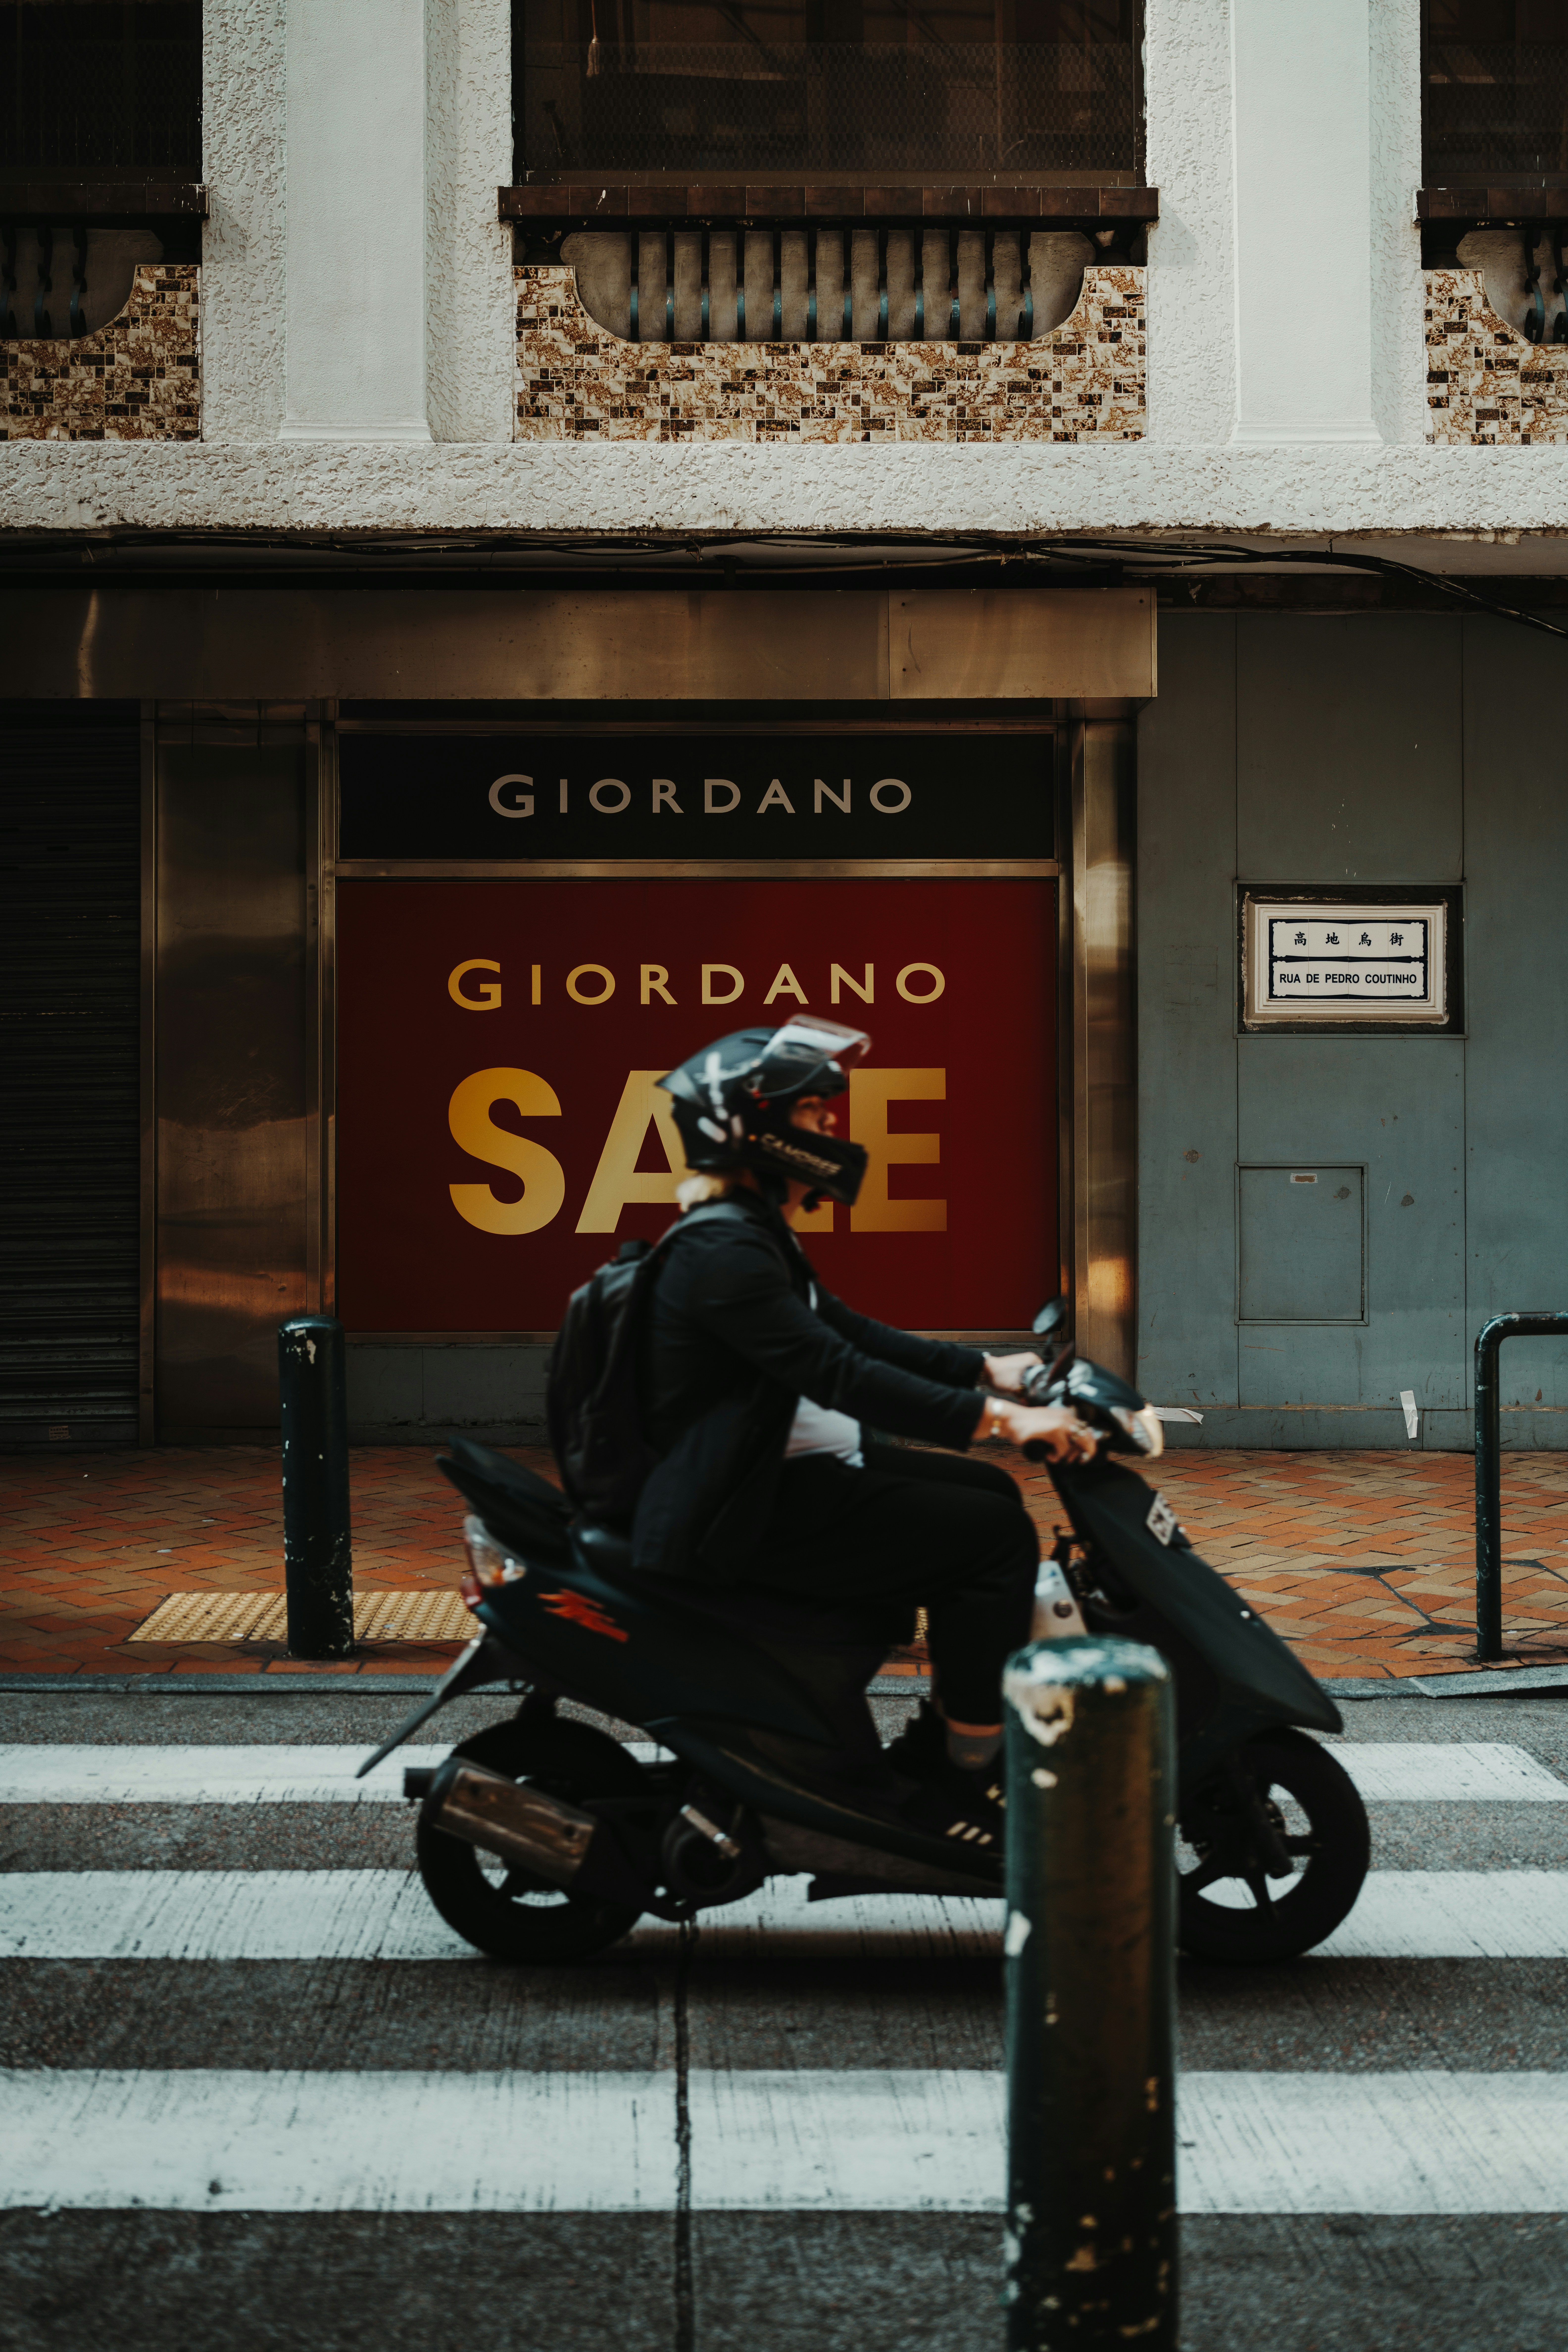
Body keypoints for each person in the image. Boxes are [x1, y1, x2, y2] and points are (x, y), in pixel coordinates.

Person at [635, 1014, 1096, 1837]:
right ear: (755, 1127)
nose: (830, 1129)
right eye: (814, 1114)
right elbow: (840, 1374)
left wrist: (995, 1370)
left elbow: (851, 1334)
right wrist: (1000, 1419)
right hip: (750, 1507)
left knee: (988, 1496)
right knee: (988, 1541)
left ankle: (944, 1727)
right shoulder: (725, 1251)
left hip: (783, 1478)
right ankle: (965, 1773)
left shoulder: (748, 1235)